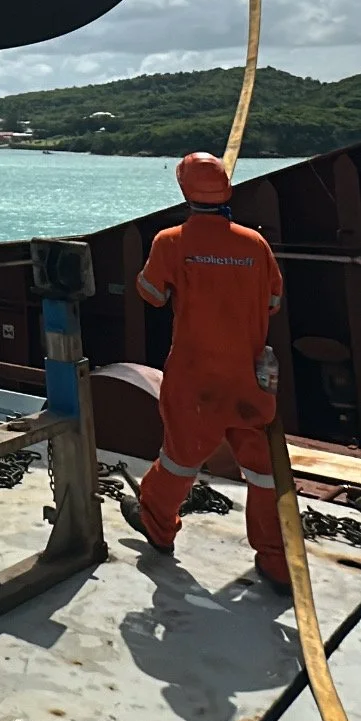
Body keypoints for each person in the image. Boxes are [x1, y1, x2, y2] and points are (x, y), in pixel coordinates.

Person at [122, 150, 290, 591]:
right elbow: (273, 301)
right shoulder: (255, 244)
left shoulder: (171, 241)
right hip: (251, 381)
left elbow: (151, 294)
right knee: (264, 473)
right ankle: (275, 560)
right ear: (226, 191)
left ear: (184, 190)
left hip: (196, 381)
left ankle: (158, 527)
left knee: (179, 459)